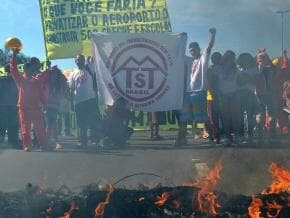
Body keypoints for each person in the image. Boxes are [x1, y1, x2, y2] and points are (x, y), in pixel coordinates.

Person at [175, 27, 216, 146]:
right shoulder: (189, 60)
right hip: (188, 93)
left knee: (201, 116)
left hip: (199, 92)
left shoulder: (203, 58)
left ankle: (212, 137)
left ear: (198, 49)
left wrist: (213, 34)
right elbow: (180, 53)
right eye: (191, 50)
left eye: (194, 50)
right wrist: (182, 39)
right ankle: (181, 139)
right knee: (184, 116)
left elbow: (209, 46)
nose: (193, 52)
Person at [10, 51, 53, 151]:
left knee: (40, 128)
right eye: (27, 69)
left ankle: (44, 145)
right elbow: (13, 70)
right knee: (25, 128)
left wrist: (48, 68)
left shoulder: (36, 80)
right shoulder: (20, 79)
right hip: (23, 108)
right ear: (24, 70)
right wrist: (14, 56)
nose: (29, 71)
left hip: (36, 107)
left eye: (31, 69)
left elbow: (42, 89)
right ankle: (27, 146)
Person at [68, 54, 100, 147]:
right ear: (75, 61)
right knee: (81, 123)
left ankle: (95, 140)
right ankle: (82, 141)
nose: (79, 61)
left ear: (84, 60)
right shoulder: (73, 73)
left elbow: (95, 56)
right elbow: (71, 88)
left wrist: (95, 43)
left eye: (81, 59)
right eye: (77, 60)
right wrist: (71, 102)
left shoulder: (90, 68)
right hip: (79, 102)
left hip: (91, 99)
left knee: (93, 121)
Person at [217, 50, 241, 146]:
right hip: (223, 95)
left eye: (232, 58)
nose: (230, 60)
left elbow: (239, 82)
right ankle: (227, 137)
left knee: (235, 117)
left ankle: (237, 136)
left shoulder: (237, 70)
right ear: (225, 58)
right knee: (225, 118)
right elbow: (215, 82)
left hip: (234, 95)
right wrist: (218, 94)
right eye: (228, 58)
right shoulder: (218, 69)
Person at [236, 53, 259, 144]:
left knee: (250, 116)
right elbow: (237, 82)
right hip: (239, 94)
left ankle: (250, 136)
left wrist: (247, 79)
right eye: (243, 59)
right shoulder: (238, 69)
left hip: (250, 93)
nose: (245, 61)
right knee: (240, 116)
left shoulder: (254, 69)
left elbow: (256, 82)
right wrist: (243, 80)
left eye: (246, 59)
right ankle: (241, 136)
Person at [44, 67, 68, 145]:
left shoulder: (59, 83)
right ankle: (50, 139)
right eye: (51, 73)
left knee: (53, 122)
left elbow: (62, 93)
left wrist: (58, 99)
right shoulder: (47, 82)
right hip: (47, 105)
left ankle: (53, 139)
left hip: (54, 105)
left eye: (54, 73)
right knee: (50, 122)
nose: (52, 75)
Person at [205, 52, 223, 144]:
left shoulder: (223, 69)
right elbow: (208, 82)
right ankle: (214, 135)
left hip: (218, 95)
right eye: (214, 58)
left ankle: (216, 135)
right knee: (212, 116)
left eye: (217, 58)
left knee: (217, 116)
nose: (215, 59)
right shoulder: (210, 69)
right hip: (211, 95)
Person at [0, 65, 19, 148]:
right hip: (11, 105)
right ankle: (13, 141)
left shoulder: (2, 79)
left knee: (3, 124)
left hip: (5, 105)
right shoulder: (15, 80)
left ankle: (5, 141)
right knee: (12, 124)